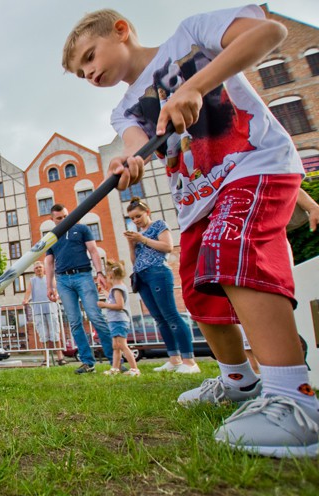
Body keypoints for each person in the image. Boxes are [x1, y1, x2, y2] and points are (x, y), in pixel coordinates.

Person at [62, 6, 318, 457]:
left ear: (120, 31)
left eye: (88, 57)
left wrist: (195, 85)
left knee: (234, 248)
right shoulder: (123, 109)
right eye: (80, 72)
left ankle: (295, 402)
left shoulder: (192, 35)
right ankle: (239, 383)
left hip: (252, 165)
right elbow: (134, 142)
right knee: (200, 289)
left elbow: (269, 31)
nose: (88, 73)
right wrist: (128, 162)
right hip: (197, 199)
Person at [125, 197, 199, 374]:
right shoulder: (137, 235)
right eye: (132, 218)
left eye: (138, 216)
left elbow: (167, 247)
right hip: (141, 276)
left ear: (147, 212)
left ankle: (189, 361)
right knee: (159, 319)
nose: (135, 220)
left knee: (171, 316)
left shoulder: (159, 225)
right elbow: (135, 261)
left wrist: (142, 239)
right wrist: (131, 244)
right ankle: (174, 359)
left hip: (158, 272)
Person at [45, 204, 114, 374]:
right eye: (59, 218)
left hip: (83, 276)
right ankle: (87, 362)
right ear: (52, 219)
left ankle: (115, 360)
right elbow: (49, 262)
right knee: (75, 322)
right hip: (63, 281)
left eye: (66, 216)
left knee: (95, 317)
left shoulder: (82, 229)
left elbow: (93, 251)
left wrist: (99, 272)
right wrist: (49, 286)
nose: (64, 220)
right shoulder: (51, 237)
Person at [97, 260, 140, 376]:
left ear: (111, 275)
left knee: (122, 345)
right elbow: (113, 299)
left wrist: (104, 305)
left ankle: (134, 369)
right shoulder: (117, 288)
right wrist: (105, 293)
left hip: (119, 320)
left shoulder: (117, 289)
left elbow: (119, 305)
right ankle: (115, 368)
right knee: (116, 346)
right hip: (115, 320)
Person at [23, 261, 66, 366]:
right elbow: (28, 291)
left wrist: (56, 296)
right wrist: (25, 300)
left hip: (51, 308)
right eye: (36, 268)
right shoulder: (32, 281)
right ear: (34, 270)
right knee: (43, 335)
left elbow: (56, 289)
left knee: (55, 332)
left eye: (40, 267)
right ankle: (46, 359)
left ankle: (60, 358)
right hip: (38, 311)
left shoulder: (50, 278)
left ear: (44, 269)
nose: (38, 269)